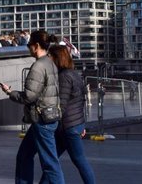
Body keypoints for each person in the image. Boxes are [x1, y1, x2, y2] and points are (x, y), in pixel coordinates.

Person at [0, 30, 65, 184]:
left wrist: (10, 92)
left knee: (50, 164)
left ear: (36, 46)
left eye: (29, 45)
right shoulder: (51, 63)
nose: (28, 48)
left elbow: (29, 96)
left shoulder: (38, 66)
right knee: (24, 156)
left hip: (42, 120)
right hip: (46, 117)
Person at [46, 43, 96, 184]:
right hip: (74, 124)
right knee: (51, 161)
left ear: (57, 58)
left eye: (51, 56)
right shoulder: (75, 74)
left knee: (79, 161)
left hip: (67, 126)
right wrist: (81, 125)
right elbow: (81, 101)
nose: (49, 59)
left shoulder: (63, 77)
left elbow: (61, 104)